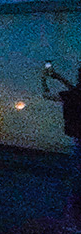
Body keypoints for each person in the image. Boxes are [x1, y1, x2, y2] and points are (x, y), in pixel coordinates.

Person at [43, 63, 81, 225]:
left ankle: (75, 217)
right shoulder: (75, 93)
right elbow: (74, 90)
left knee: (78, 176)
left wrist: (43, 80)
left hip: (79, 139)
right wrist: (59, 77)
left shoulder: (72, 95)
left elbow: (47, 95)